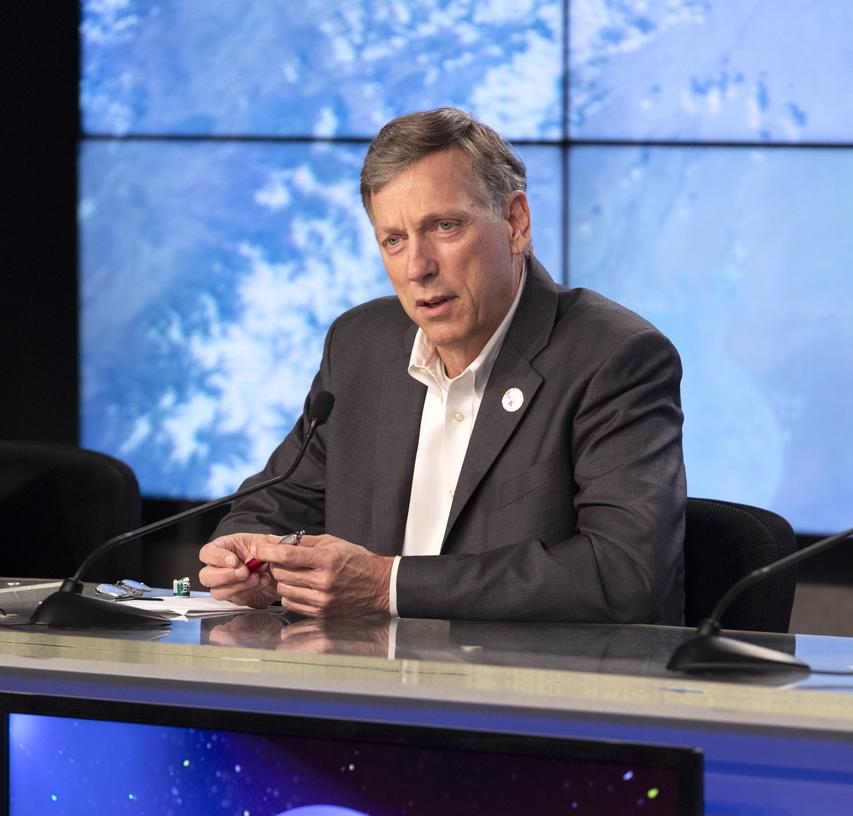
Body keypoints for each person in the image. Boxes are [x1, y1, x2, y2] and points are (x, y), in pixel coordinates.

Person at [199, 108, 686, 624]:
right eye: (394, 240)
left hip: (527, 675)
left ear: (516, 222)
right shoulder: (361, 344)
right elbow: (274, 504)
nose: (417, 267)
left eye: (445, 227)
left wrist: (386, 585)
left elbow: (625, 574)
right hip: (359, 670)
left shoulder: (613, 357)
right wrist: (244, 558)